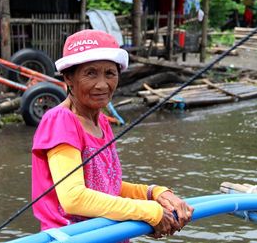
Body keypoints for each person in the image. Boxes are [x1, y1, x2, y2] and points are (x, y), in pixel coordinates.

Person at [31, 29, 194, 239]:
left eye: (110, 73)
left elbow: (106, 187)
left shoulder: (101, 122)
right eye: (90, 73)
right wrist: (148, 212)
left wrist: (153, 193)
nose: (102, 84)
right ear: (68, 77)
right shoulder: (61, 121)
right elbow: (73, 198)